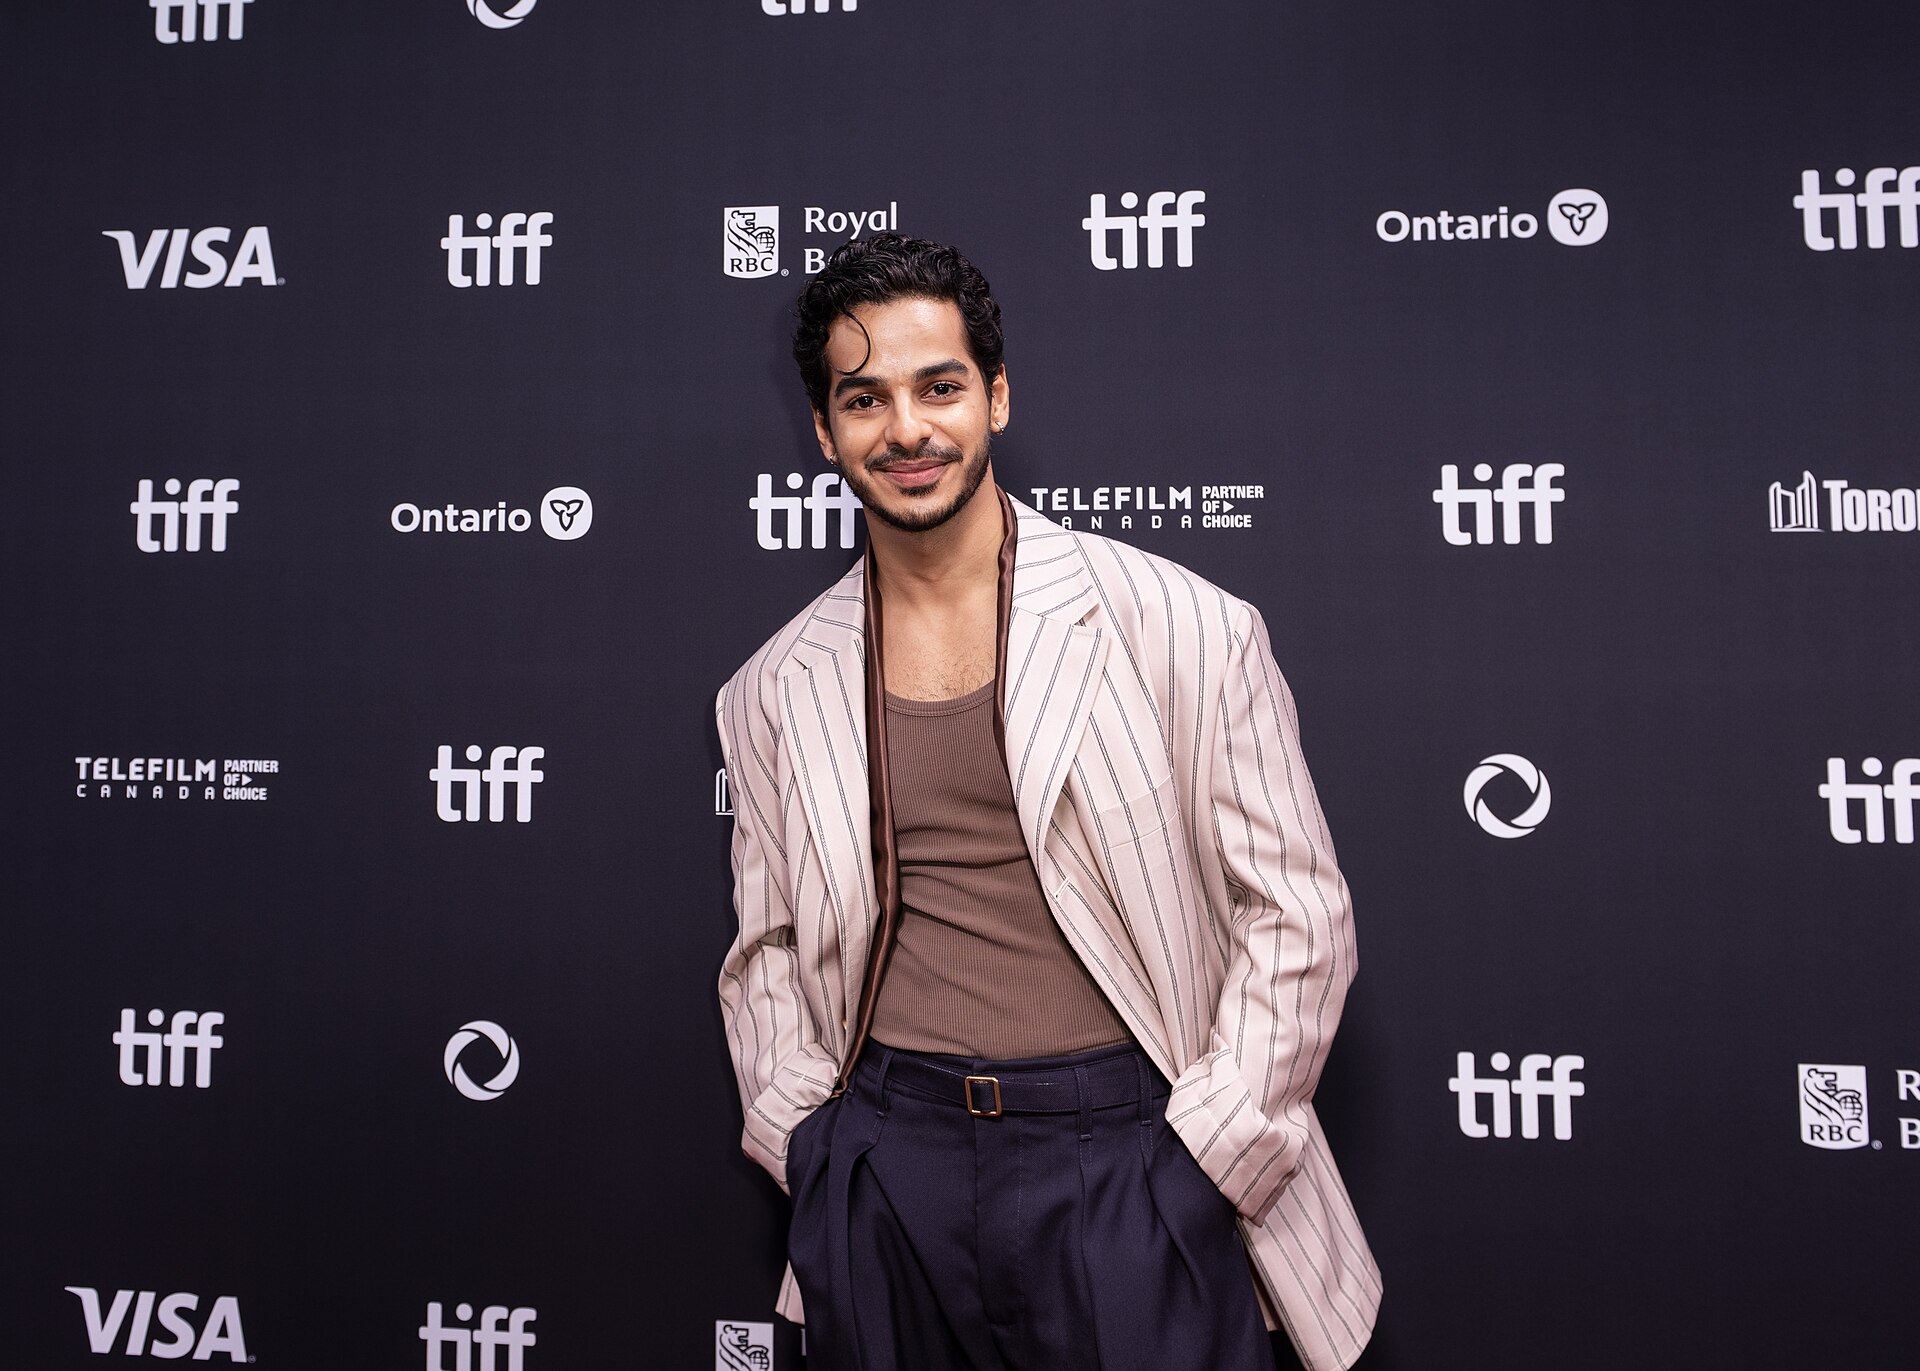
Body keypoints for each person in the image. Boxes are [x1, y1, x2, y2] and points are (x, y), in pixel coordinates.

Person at [716, 234, 1380, 1371]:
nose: (908, 431)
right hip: (886, 1164)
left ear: (998, 396)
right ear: (823, 433)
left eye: (941, 386)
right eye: (864, 399)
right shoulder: (775, 685)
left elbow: (1298, 916)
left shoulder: (1183, 624)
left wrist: (1205, 1154)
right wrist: (812, 1141)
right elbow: (766, 947)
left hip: (1127, 1158)